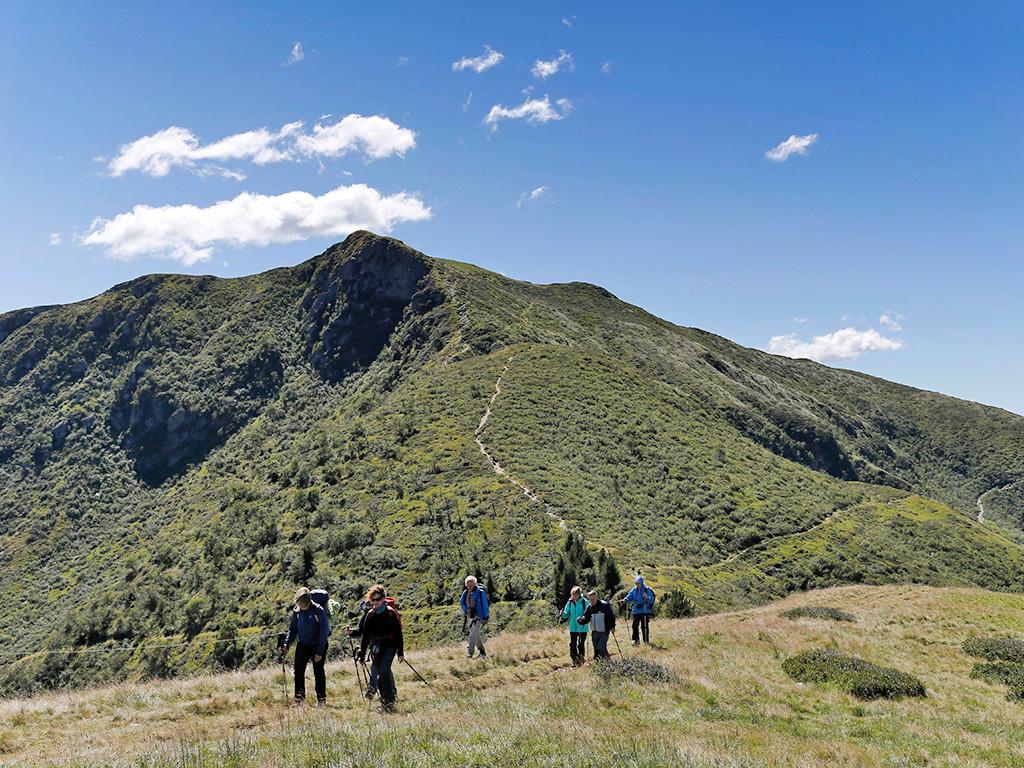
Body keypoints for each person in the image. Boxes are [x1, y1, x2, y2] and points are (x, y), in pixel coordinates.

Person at [356, 584, 404, 713]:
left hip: (391, 645)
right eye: (373, 600)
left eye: (378, 599)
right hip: (377, 647)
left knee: (383, 670)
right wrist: (362, 655)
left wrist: (400, 652)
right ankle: (385, 701)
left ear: (383, 599)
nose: (375, 602)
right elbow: (365, 636)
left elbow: (398, 633)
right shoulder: (370, 615)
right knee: (379, 671)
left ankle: (390, 700)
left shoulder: (390, 613)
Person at [281, 586, 330, 706]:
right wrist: (287, 643)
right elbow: (293, 629)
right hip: (303, 644)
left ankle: (321, 700)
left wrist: (319, 651)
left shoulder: (318, 611)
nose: (299, 607)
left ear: (307, 602)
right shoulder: (297, 611)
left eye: (301, 604)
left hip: (318, 644)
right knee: (298, 671)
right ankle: (299, 700)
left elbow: (324, 632)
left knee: (318, 671)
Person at [577, 589, 616, 659]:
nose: (592, 601)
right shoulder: (589, 607)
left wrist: (612, 627)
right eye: (590, 599)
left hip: (604, 631)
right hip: (594, 631)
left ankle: (607, 662)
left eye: (593, 599)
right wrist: (581, 620)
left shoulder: (604, 605)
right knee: (596, 649)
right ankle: (599, 664)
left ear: (597, 597)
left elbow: (611, 617)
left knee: (601, 647)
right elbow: (586, 617)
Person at [460, 575, 490, 658]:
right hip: (470, 616)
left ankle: (470, 652)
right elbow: (462, 603)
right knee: (476, 635)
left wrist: (486, 617)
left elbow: (485, 605)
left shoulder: (481, 592)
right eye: (468, 585)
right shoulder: (465, 593)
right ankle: (482, 651)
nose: (469, 587)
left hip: (479, 617)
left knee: (472, 634)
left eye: (471, 585)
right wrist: (466, 610)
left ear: (475, 584)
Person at [560, 585, 588, 666]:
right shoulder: (570, 602)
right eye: (572, 594)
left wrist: (583, 619)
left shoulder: (584, 602)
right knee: (572, 644)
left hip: (582, 627)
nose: (573, 596)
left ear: (579, 594)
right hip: (573, 627)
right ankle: (574, 660)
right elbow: (566, 614)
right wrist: (562, 614)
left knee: (581, 644)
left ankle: (581, 659)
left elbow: (588, 613)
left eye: (574, 594)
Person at [625, 575, 655, 645]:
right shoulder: (634, 590)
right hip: (636, 611)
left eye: (638, 583)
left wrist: (647, 597)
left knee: (644, 626)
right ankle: (636, 640)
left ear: (641, 583)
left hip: (645, 610)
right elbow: (630, 597)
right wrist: (625, 599)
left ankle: (646, 641)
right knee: (634, 625)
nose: (637, 584)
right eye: (636, 583)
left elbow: (651, 600)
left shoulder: (647, 590)